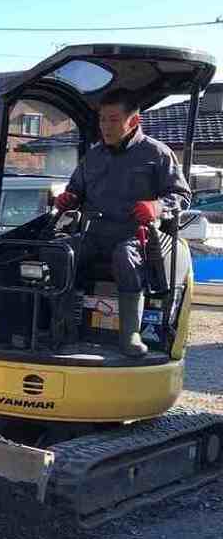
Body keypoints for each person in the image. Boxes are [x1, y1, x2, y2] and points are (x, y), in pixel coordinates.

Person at [54, 89, 191, 357]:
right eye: (102, 119)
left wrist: (157, 206)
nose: (105, 126)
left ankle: (130, 334)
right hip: (96, 233)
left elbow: (182, 195)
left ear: (134, 121)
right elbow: (76, 190)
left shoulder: (157, 154)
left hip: (140, 236)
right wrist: (68, 198)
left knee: (125, 256)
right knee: (60, 254)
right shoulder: (92, 157)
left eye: (113, 119)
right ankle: (63, 328)